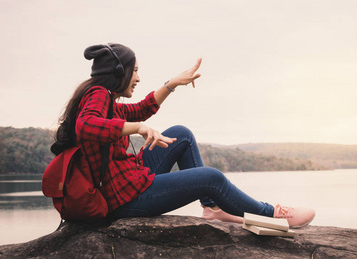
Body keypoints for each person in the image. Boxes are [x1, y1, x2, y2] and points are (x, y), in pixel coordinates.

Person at [51, 43, 315, 227]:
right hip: (122, 200)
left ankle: (212, 210)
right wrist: (138, 128)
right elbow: (86, 126)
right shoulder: (97, 94)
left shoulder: (107, 99)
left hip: (129, 181)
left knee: (181, 134)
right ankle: (272, 214)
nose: (138, 78)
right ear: (118, 73)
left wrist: (171, 84)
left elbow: (141, 109)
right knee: (211, 177)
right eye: (135, 70)